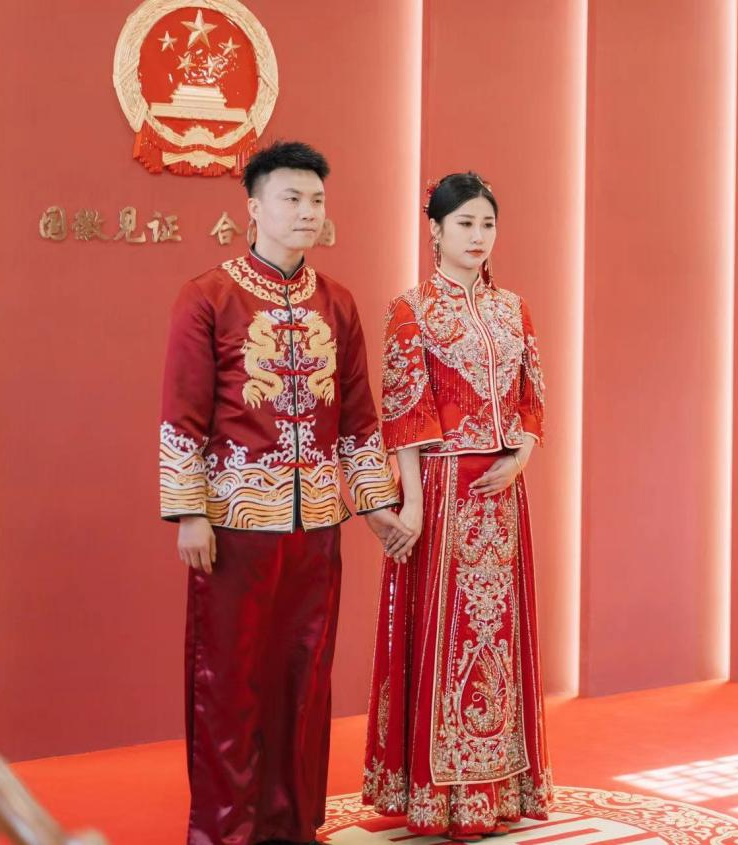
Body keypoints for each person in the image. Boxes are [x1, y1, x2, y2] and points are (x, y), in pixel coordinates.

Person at [160, 140, 408, 845]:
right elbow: (182, 412)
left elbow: (358, 419)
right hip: (234, 524)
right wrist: (189, 511)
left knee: (304, 680)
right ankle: (225, 830)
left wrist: (376, 507)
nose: (306, 212)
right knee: (229, 682)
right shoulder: (208, 295)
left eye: (316, 200)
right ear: (254, 207)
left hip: (316, 527)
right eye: (291, 198)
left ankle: (293, 824)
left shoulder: (338, 302)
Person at [361, 173, 552, 842]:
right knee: (446, 640)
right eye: (464, 223)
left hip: (503, 498)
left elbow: (532, 398)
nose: (477, 236)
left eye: (487, 224)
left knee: (497, 637)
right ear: (435, 231)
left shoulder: (513, 309)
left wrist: (521, 457)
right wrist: (411, 504)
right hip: (445, 494)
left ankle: (497, 790)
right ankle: (439, 796)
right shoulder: (410, 310)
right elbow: (406, 416)